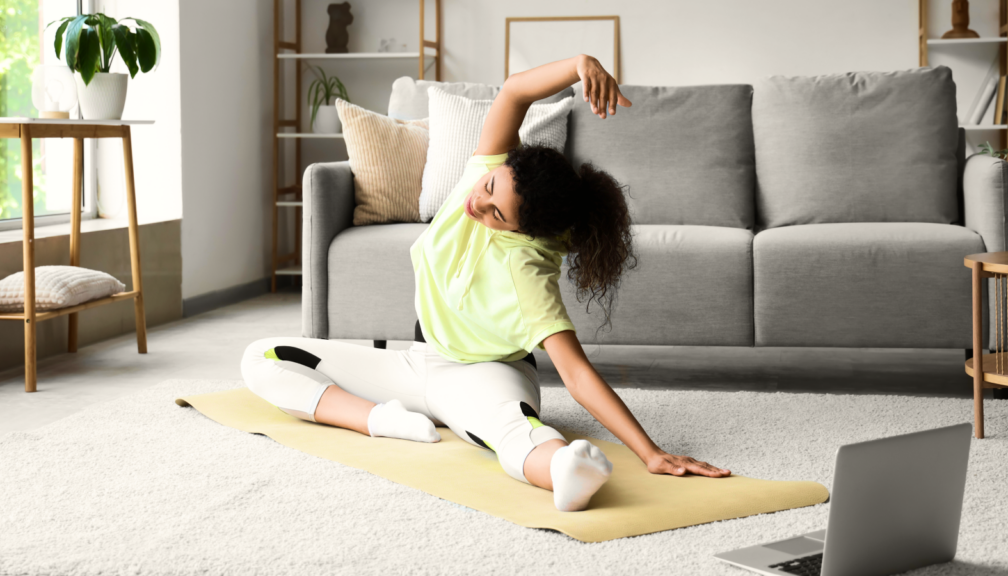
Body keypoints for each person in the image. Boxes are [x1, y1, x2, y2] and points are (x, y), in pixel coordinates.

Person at [241, 54, 731, 512]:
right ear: (498, 168)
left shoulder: (528, 270)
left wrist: (650, 451)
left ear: (526, 230)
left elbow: (578, 376)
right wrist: (579, 64)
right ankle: (381, 421)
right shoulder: (483, 171)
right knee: (263, 358)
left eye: (500, 215)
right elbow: (515, 93)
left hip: (487, 376)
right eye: (491, 189)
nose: (480, 206)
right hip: (417, 363)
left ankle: (566, 471)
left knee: (514, 437)